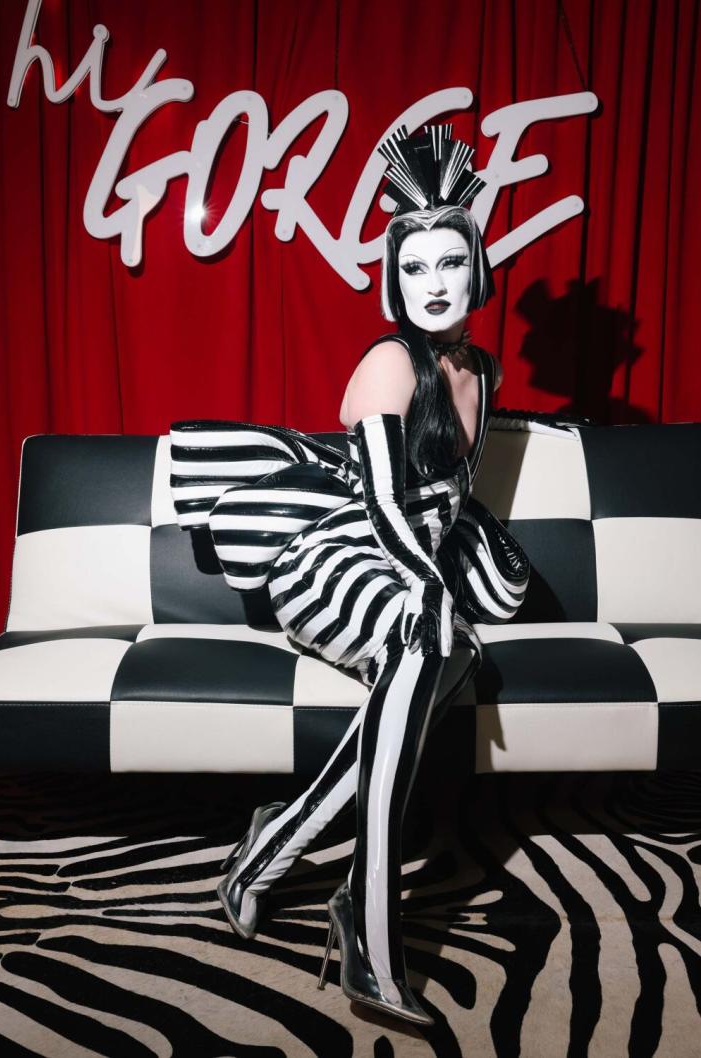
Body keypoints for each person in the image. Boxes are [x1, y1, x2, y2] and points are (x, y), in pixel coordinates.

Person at [216, 124, 501, 1026]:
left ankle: (275, 850)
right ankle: (374, 935)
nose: (433, 284)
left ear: (476, 268)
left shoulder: (479, 373)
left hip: (406, 569)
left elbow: (450, 503)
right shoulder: (387, 362)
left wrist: (445, 591)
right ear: (393, 277)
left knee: (441, 649)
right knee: (431, 635)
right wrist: (432, 595)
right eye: (413, 268)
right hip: (332, 557)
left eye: (448, 264)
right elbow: (384, 508)